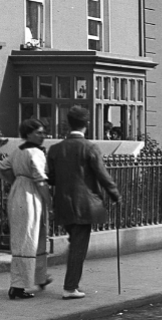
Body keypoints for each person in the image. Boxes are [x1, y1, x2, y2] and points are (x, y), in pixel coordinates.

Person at [47, 105, 120, 300]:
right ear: (86, 125)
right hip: (84, 205)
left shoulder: (55, 149)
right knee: (78, 246)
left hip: (63, 204)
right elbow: (102, 175)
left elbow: (51, 178)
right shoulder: (90, 148)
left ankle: (71, 284)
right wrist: (115, 195)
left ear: (68, 124)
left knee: (75, 243)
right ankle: (70, 287)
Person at [0, 118, 52, 300]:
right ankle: (18, 285)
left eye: (43, 132)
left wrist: (16, 180)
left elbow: (0, 168)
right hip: (30, 195)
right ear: (29, 134)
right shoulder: (35, 153)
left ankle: (38, 276)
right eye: (39, 133)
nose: (43, 136)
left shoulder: (18, 151)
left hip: (18, 192)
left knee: (32, 235)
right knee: (27, 237)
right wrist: (49, 201)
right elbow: (41, 180)